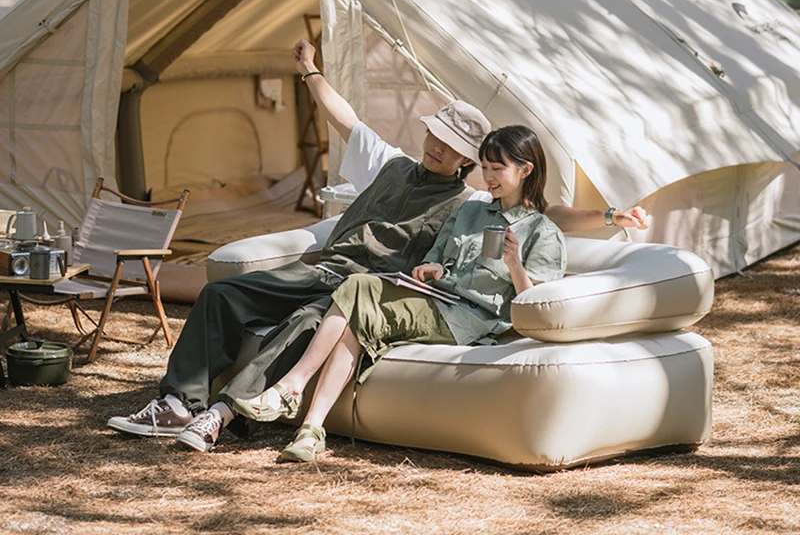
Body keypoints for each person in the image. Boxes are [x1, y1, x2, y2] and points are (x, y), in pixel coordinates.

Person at [107, 39, 648, 453]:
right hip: (321, 268)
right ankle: (179, 402)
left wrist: (606, 215)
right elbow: (344, 118)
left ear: (468, 163)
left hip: (366, 285)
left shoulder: (467, 198)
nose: (437, 147)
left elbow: (538, 214)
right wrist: (310, 68)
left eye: (453, 147)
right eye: (436, 136)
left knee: (308, 323)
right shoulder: (390, 163)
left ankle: (226, 414)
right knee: (221, 294)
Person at [231, 125, 566, 462]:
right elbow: (434, 258)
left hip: (467, 318)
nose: (489, 177)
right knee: (355, 322)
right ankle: (311, 430)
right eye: (485, 167)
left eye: (498, 169)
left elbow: (535, 305)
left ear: (525, 170)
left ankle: (291, 387)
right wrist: (432, 269)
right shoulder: (470, 211)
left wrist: (514, 264)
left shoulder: (542, 231)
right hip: (435, 298)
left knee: (358, 287)